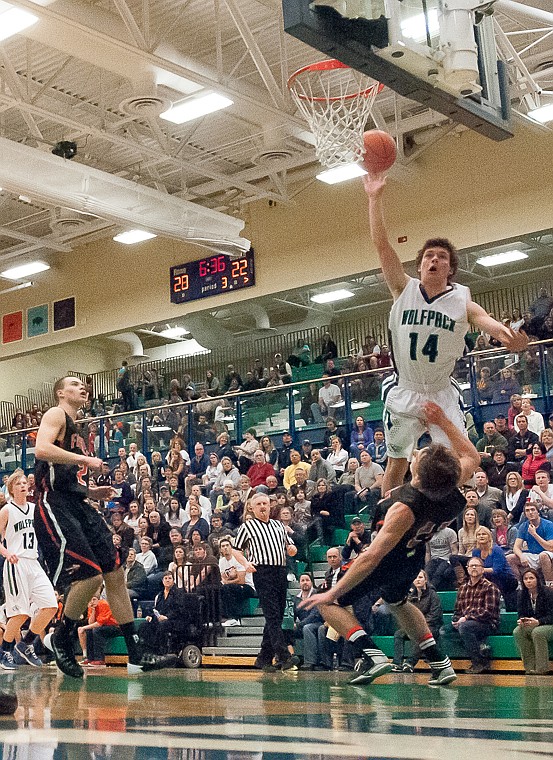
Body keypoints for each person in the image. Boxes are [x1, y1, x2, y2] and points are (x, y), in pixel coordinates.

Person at [362, 173, 527, 493]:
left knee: (464, 462)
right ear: (420, 266)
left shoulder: (462, 301)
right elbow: (381, 244)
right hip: (405, 389)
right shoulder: (402, 287)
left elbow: (489, 323)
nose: (434, 259)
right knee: (396, 463)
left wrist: (510, 337)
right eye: (428, 256)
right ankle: (387, 517)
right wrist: (374, 199)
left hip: (441, 390)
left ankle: (432, 501)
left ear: (450, 269)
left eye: (442, 257)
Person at [301, 401, 479, 686]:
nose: (419, 452)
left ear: (418, 474)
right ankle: (439, 662)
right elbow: (472, 455)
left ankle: (372, 655)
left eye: (420, 456)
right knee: (398, 601)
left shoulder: (403, 509)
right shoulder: (449, 485)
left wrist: (333, 590)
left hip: (390, 557)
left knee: (326, 603)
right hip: (413, 555)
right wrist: (442, 421)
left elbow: (372, 557)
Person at [33, 376, 144, 678]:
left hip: (78, 503)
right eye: (74, 384)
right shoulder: (56, 414)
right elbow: (41, 449)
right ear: (60, 392)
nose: (83, 387)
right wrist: (85, 458)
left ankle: (136, 654)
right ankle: (62, 635)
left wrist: (92, 492)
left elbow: (68, 476)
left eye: (84, 384)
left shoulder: (80, 428)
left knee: (115, 575)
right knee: (89, 576)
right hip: (53, 504)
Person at [233, 492, 298, 672]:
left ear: (270, 506)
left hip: (280, 571)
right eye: (259, 504)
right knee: (272, 614)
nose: (263, 506)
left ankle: (263, 658)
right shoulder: (247, 527)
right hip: (262, 571)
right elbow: (236, 550)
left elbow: (290, 548)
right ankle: (284, 655)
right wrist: (246, 563)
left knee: (276, 614)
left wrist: (292, 549)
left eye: (265, 503)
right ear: (252, 508)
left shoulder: (279, 525)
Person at [0, 470, 58, 670]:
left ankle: (25, 644)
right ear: (12, 489)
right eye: (19, 484)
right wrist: (7, 553)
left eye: (25, 482)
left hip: (34, 562)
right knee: (21, 613)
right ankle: (5, 651)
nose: (24, 486)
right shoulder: (6, 510)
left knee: (51, 605)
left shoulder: (35, 509)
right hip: (16, 563)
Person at [446, 556, 500, 673]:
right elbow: (457, 610)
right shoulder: (462, 588)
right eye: (471, 566)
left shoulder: (490, 587)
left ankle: (478, 663)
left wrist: (466, 618)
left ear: (482, 569)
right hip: (465, 623)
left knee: (465, 627)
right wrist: (456, 619)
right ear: (467, 569)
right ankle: (480, 648)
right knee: (443, 631)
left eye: (477, 565)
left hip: (487, 624)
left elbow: (488, 612)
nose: (474, 568)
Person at [391, 570, 443, 673]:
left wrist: (419, 625)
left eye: (420, 577)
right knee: (398, 634)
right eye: (416, 578)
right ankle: (397, 663)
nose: (417, 580)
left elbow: (435, 615)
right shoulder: (410, 596)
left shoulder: (433, 595)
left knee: (420, 634)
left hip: (431, 626)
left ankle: (410, 663)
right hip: (414, 625)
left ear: (425, 579)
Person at [513, 568, 553, 675]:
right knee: (518, 631)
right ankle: (530, 667)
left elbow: (551, 616)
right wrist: (521, 620)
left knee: (538, 632)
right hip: (533, 623)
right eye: (526, 579)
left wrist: (539, 622)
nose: (528, 581)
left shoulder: (548, 592)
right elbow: (521, 613)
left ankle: (542, 668)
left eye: (531, 578)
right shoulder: (522, 594)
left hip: (549, 624)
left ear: (537, 579)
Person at [507, 501, 553, 584]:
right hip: (533, 554)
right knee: (510, 558)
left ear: (538, 512)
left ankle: (549, 584)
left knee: (543, 555)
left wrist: (534, 534)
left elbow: (550, 547)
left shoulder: (548, 525)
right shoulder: (523, 526)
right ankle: (520, 584)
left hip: (547, 553)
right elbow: (516, 547)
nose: (530, 512)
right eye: (527, 511)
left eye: (533, 510)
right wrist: (521, 557)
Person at [218, 537, 256, 627]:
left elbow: (241, 580)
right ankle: (221, 618)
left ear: (231, 547)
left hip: (247, 587)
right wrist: (231, 578)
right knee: (219, 589)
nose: (225, 548)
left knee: (227, 588)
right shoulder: (221, 561)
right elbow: (223, 578)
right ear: (220, 549)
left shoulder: (238, 559)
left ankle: (235, 619)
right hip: (234, 586)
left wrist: (230, 580)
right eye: (223, 546)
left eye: (227, 545)